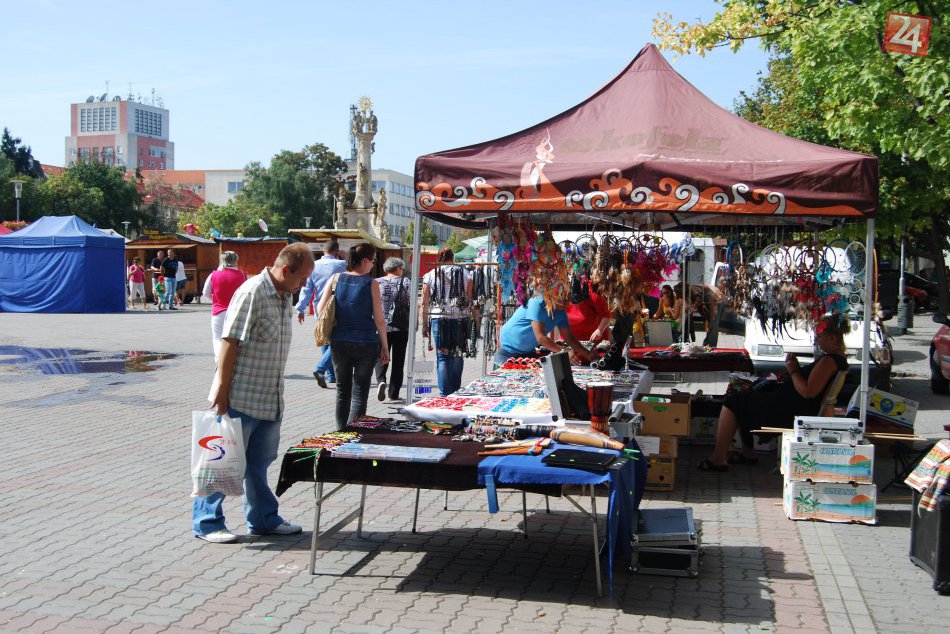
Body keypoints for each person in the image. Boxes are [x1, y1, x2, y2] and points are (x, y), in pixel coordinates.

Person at [195, 242, 315, 544]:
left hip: (269, 397)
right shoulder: (253, 293)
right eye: (302, 278)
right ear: (286, 269)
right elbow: (229, 343)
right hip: (240, 397)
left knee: (258, 465)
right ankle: (207, 523)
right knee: (222, 463)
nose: (303, 285)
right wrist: (222, 392)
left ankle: (263, 520)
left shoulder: (284, 295)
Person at [699, 313, 850, 471]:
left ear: (833, 338)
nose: (816, 339)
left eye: (819, 336)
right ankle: (747, 451)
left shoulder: (829, 361)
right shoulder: (835, 359)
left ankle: (719, 458)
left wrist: (793, 370)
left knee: (734, 400)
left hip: (789, 411)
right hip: (791, 405)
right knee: (744, 393)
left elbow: (808, 391)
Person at [316, 243, 389, 430]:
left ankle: (341, 433)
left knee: (342, 391)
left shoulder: (336, 279)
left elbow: (319, 309)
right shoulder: (371, 283)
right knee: (360, 392)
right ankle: (355, 432)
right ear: (364, 261)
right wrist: (385, 346)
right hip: (366, 343)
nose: (373, 265)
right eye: (373, 261)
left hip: (339, 342)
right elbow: (379, 319)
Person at [421, 248, 472, 396]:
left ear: (439, 258)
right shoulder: (465, 273)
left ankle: (444, 394)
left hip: (438, 318)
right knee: (457, 354)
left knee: (443, 356)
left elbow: (425, 302)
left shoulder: (430, 275)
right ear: (452, 257)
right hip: (459, 318)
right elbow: (468, 299)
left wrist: (424, 324)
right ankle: (455, 391)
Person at [296, 239, 347, 388]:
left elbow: (307, 289)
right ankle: (322, 369)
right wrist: (344, 258)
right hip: (337, 307)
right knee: (337, 340)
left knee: (324, 338)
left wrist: (300, 309)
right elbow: (353, 272)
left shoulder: (313, 266)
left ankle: (331, 375)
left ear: (323, 250)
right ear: (336, 251)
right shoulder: (341, 265)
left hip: (320, 307)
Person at [495, 295, 597, 368]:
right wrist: (563, 352)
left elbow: (569, 337)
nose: (565, 303)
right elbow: (541, 337)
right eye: (562, 297)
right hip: (507, 353)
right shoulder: (537, 302)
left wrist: (587, 354)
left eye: (567, 300)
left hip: (528, 353)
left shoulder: (560, 312)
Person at [374, 257, 409, 402]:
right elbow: (411, 301)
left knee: (381, 354)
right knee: (399, 359)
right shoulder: (405, 282)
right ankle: (393, 393)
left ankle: (381, 380)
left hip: (381, 325)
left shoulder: (376, 282)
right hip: (401, 325)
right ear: (398, 268)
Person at [201, 251, 247, 361]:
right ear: (236, 261)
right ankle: (234, 363)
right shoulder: (242, 275)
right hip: (236, 312)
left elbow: (205, 293)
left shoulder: (214, 275)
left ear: (222, 260)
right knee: (236, 339)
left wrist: (215, 299)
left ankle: (219, 362)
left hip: (219, 311)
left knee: (218, 339)